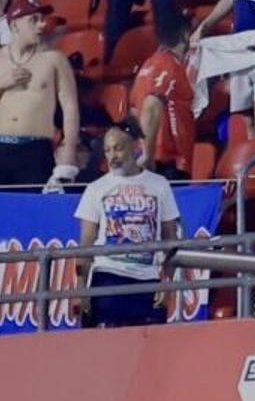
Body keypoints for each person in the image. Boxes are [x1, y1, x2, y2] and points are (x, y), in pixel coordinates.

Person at [72, 123, 178, 327]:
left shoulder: (159, 184)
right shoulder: (96, 188)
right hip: (108, 276)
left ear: (136, 146)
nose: (113, 155)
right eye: (107, 150)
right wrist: (80, 288)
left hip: (148, 279)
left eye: (118, 148)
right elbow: (85, 243)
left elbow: (171, 239)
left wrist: (168, 283)